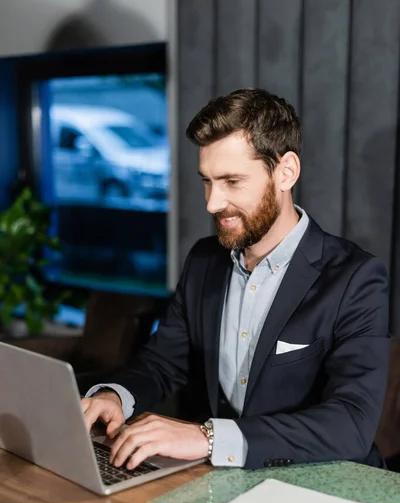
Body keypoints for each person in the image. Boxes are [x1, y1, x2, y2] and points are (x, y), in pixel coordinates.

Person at [82, 88, 390, 471]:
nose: (212, 203)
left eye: (231, 182)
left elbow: (351, 423)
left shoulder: (356, 278)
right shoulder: (203, 260)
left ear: (286, 172)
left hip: (326, 489)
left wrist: (206, 437)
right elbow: (165, 361)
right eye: (207, 181)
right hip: (225, 483)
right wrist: (115, 395)